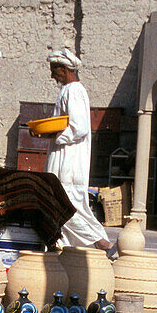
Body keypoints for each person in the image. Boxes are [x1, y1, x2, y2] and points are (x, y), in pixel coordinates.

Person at [41, 48, 114, 253]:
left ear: (64, 68)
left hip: (69, 162)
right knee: (65, 207)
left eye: (54, 70)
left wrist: (54, 135)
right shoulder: (67, 90)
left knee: (64, 206)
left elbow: (78, 127)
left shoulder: (74, 91)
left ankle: (101, 243)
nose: (52, 75)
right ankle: (67, 251)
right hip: (62, 157)